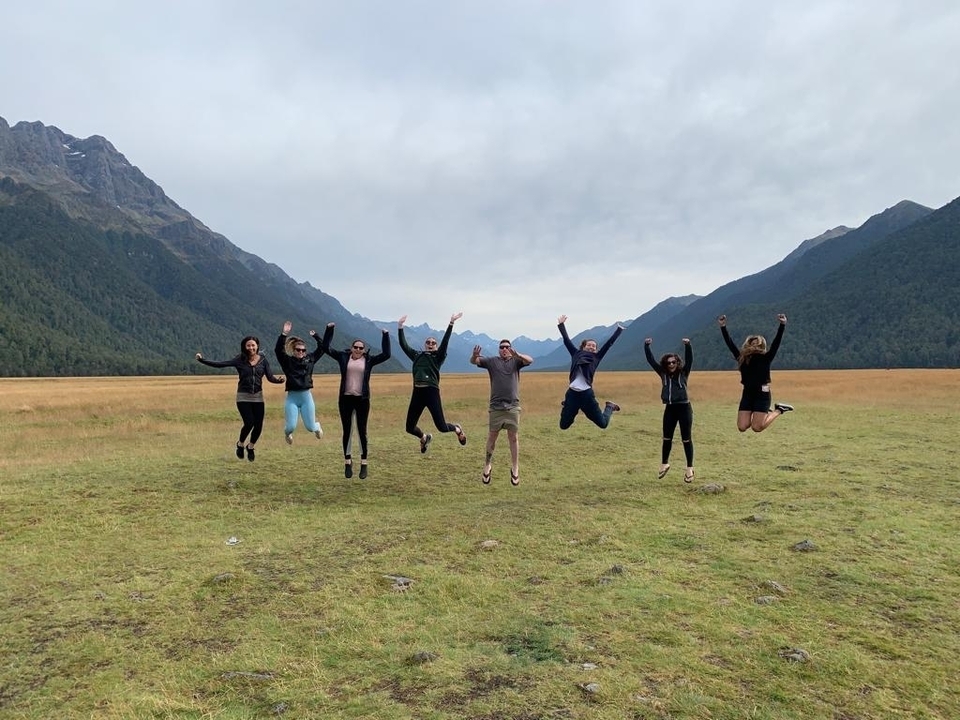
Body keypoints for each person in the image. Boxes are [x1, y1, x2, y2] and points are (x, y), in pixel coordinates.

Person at [195, 336, 284, 462]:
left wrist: (279, 381)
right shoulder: (239, 360)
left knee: (258, 425)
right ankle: (240, 444)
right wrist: (202, 360)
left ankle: (251, 447)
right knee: (249, 422)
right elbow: (221, 364)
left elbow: (270, 377)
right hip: (243, 397)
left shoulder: (263, 360)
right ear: (244, 347)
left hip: (258, 397)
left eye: (253, 345)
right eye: (248, 345)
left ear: (257, 346)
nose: (251, 348)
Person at [320, 322, 392, 479]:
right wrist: (329, 330)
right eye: (356, 347)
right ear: (351, 348)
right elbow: (326, 348)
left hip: (362, 400)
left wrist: (385, 335)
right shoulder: (343, 357)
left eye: (361, 348)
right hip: (345, 399)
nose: (358, 350)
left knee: (362, 431)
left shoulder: (369, 361)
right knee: (347, 431)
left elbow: (386, 354)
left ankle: (364, 463)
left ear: (364, 350)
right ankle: (347, 462)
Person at [397, 312, 467, 453]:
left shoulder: (438, 357)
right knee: (409, 427)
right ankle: (424, 438)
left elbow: (445, 343)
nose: (430, 344)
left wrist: (451, 323)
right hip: (417, 392)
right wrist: (400, 327)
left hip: (431, 392)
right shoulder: (417, 355)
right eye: (428, 342)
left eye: (433, 343)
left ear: (436, 346)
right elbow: (404, 345)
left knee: (441, 427)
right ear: (425, 345)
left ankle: (457, 429)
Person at [470, 339, 533, 486]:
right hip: (496, 406)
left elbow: (530, 360)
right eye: (502, 347)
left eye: (507, 347)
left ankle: (515, 467)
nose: (504, 349)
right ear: (499, 350)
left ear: (510, 349)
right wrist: (474, 355)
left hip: (513, 406)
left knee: (513, 438)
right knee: (492, 436)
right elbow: (474, 361)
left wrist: (517, 354)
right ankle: (487, 464)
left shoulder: (516, 361)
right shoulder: (492, 361)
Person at [718, 313, 794, 433]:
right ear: (748, 345)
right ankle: (764, 412)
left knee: (757, 427)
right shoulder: (742, 358)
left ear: (761, 346)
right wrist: (723, 327)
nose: (754, 346)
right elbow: (730, 344)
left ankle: (779, 410)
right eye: (752, 343)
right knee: (742, 427)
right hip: (747, 394)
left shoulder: (766, 357)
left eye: (757, 344)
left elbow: (776, 344)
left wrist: (782, 325)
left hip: (762, 394)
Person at [557, 315, 624, 430]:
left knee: (603, 424)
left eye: (594, 346)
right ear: (583, 347)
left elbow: (609, 344)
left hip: (586, 395)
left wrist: (619, 330)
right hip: (572, 394)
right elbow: (566, 340)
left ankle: (609, 406)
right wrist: (561, 325)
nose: (591, 347)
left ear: (596, 349)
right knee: (563, 425)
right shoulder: (575, 354)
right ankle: (570, 406)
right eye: (589, 345)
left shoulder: (597, 357)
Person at [644, 337, 696, 483]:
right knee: (667, 438)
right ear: (665, 364)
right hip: (670, 408)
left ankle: (689, 469)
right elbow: (651, 361)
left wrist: (688, 346)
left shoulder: (684, 373)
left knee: (686, 439)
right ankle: (664, 463)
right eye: (668, 362)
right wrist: (646, 346)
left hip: (684, 407)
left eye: (673, 362)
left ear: (677, 362)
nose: (671, 364)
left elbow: (690, 359)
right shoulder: (663, 374)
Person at [274, 321, 326, 445]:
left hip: (306, 397)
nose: (301, 352)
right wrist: (284, 334)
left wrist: (316, 336)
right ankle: (288, 434)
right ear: (293, 350)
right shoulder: (287, 361)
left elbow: (322, 348)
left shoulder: (310, 359)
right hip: (292, 397)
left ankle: (317, 426)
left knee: (310, 427)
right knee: (290, 427)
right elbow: (278, 350)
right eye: (298, 350)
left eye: (303, 350)